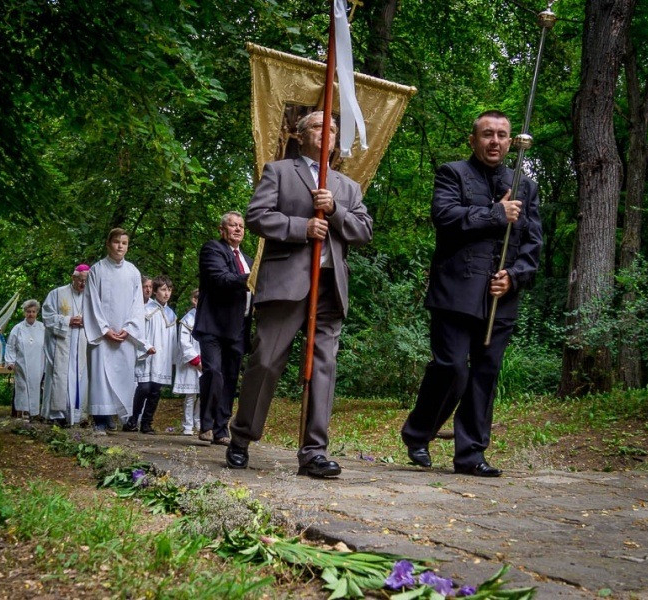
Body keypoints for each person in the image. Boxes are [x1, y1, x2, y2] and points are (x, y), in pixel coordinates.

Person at [227, 110, 373, 477]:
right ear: (300, 134)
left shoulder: (348, 187)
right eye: (319, 127)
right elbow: (257, 216)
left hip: (330, 286)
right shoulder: (279, 172)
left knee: (324, 367)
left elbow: (363, 231)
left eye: (333, 129)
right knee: (266, 360)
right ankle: (241, 436)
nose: (328, 133)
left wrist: (334, 210)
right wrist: (301, 227)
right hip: (286, 283)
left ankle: (313, 452)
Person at [400, 110, 542, 477]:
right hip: (456, 291)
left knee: (485, 374)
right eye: (487, 134)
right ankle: (418, 432)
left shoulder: (525, 185)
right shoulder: (452, 173)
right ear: (473, 139)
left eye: (502, 135)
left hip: (500, 296)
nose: (495, 141)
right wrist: (496, 213)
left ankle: (470, 455)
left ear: (510, 141)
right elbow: (445, 217)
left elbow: (532, 244)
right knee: (451, 369)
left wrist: (514, 277)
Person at [83, 228, 153, 435]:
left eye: (124, 243)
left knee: (122, 376)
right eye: (116, 242)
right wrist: (104, 330)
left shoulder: (133, 272)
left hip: (124, 335)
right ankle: (100, 420)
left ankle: (115, 416)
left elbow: (137, 305)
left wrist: (128, 329)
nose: (120, 246)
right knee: (100, 377)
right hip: (102, 336)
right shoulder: (96, 270)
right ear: (108, 244)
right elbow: (91, 302)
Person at [193, 212, 252, 446]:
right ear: (221, 229)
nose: (237, 229)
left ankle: (221, 428)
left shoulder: (248, 259)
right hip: (213, 325)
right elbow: (220, 278)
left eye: (241, 226)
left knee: (230, 377)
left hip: (239, 327)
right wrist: (251, 278)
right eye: (232, 225)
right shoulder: (213, 249)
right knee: (214, 372)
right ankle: (207, 425)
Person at [41, 264, 90, 426]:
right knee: (60, 377)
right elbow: (47, 317)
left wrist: (86, 322)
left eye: (86, 281)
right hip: (62, 343)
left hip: (82, 343)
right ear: (73, 278)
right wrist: (68, 320)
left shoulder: (91, 296)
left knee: (80, 377)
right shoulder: (57, 294)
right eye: (81, 280)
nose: (83, 284)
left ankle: (78, 415)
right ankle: (57, 415)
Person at [127, 275, 176, 434]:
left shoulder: (171, 315)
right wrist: (146, 346)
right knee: (144, 388)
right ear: (155, 291)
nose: (167, 293)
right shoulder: (146, 310)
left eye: (169, 290)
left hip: (162, 358)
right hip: (148, 356)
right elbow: (138, 331)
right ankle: (133, 420)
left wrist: (172, 359)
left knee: (155, 391)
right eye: (163, 289)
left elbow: (173, 340)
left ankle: (147, 423)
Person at [5, 299, 45, 420]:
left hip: (38, 362)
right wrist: (10, 361)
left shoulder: (42, 327)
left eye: (33, 311)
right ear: (24, 312)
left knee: (35, 387)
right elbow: (10, 346)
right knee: (22, 387)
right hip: (21, 363)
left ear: (37, 313)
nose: (31, 314)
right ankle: (22, 412)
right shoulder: (18, 328)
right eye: (28, 311)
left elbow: (48, 346)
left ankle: (34, 413)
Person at [173, 288, 201, 435]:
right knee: (191, 395)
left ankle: (199, 421)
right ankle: (188, 425)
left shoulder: (208, 318)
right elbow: (184, 343)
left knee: (203, 394)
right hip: (191, 363)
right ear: (194, 300)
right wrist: (196, 360)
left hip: (205, 361)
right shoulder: (187, 320)